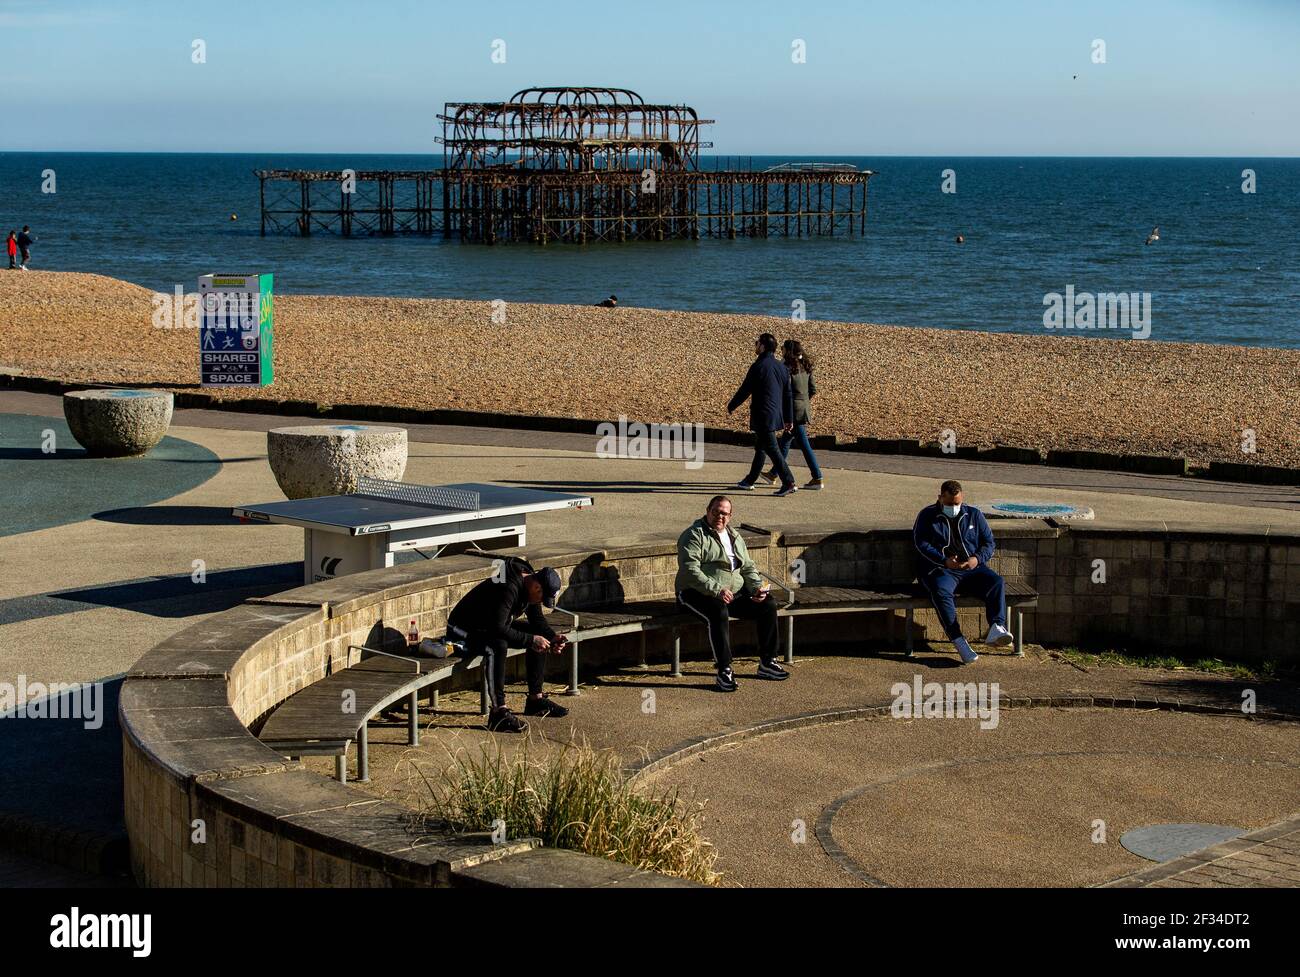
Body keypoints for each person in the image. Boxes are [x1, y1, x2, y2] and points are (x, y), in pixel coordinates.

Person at [676, 495, 789, 691]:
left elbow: (748, 567)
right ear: (707, 510)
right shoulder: (694, 535)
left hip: (732, 592)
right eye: (716, 511)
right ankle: (724, 670)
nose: (720, 516)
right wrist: (716, 590)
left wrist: (756, 588)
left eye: (724, 513)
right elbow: (690, 570)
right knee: (719, 613)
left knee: (768, 604)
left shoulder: (734, 536)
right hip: (694, 593)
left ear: (730, 515)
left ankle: (767, 662)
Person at [446, 556, 570, 733]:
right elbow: (497, 628)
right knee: (497, 646)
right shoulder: (508, 586)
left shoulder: (531, 586)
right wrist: (531, 640)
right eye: (542, 599)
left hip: (489, 626)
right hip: (462, 628)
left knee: (537, 635)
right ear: (537, 587)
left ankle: (536, 700)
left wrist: (552, 637)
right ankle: (498, 713)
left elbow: (536, 620)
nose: (540, 603)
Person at [912, 480, 1014, 664]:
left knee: (996, 582)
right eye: (949, 504)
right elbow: (921, 544)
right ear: (940, 497)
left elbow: (989, 543)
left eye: (957, 503)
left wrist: (976, 559)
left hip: (971, 569)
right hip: (941, 570)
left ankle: (997, 628)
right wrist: (944, 561)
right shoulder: (927, 515)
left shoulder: (974, 514)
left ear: (962, 498)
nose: (953, 507)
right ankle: (959, 641)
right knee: (941, 592)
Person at [728, 332, 797, 496]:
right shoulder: (782, 367)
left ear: (763, 346)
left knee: (772, 449)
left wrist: (732, 405)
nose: (755, 345)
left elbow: (745, 389)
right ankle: (749, 480)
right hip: (775, 414)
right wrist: (788, 418)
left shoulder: (758, 366)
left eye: (757, 343)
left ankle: (788, 482)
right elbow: (788, 394)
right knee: (761, 447)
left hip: (763, 414)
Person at [759, 339, 824, 490]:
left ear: (787, 351)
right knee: (786, 441)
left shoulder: (786, 367)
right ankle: (774, 473)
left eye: (782, 348)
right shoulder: (806, 366)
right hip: (803, 409)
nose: (780, 350)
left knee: (804, 445)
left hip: (792, 410)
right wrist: (804, 402)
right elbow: (812, 389)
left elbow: (782, 390)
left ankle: (817, 476)